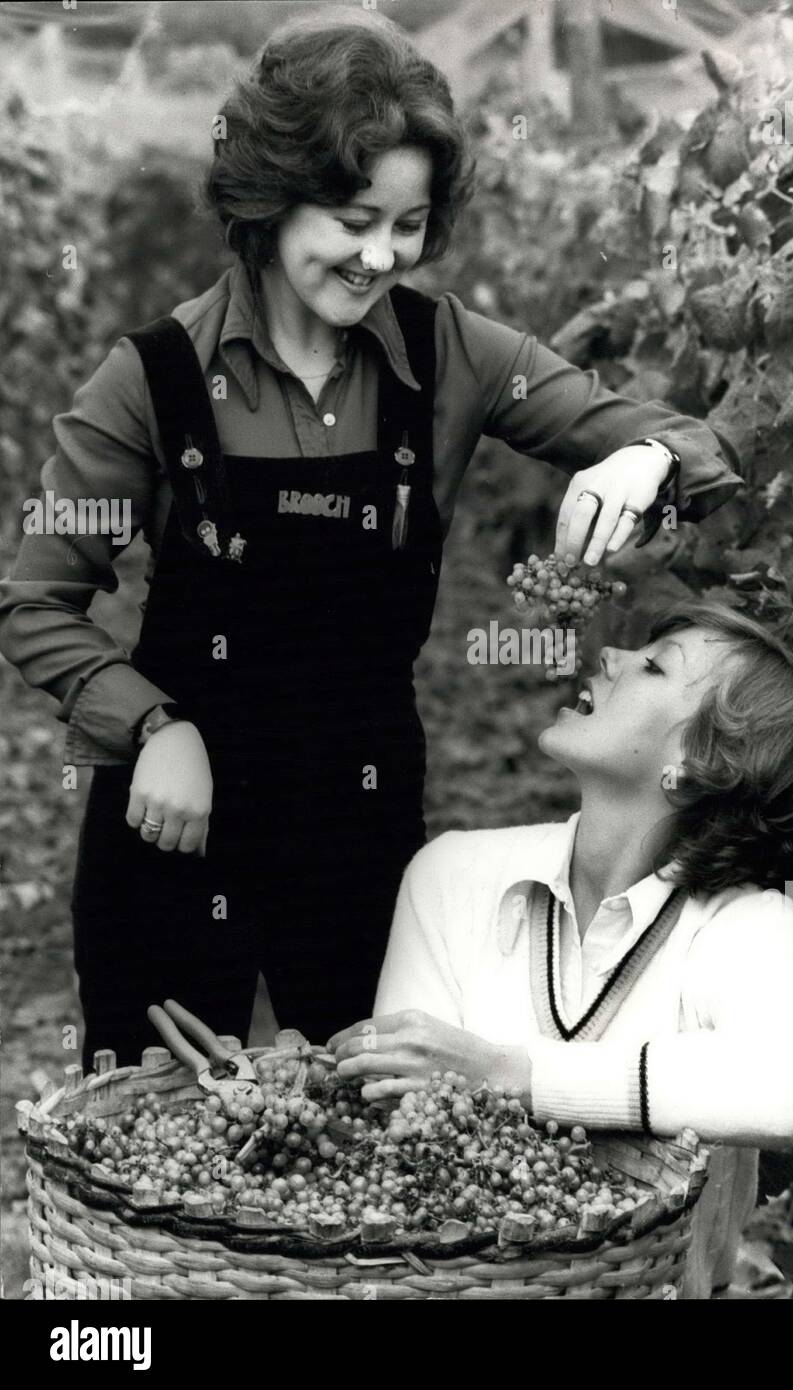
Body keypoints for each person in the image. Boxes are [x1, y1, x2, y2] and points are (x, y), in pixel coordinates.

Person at [0, 12, 741, 1065]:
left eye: (406, 226)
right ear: (267, 200)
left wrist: (643, 458)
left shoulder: (455, 355)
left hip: (356, 823)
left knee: (363, 1130)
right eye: (351, 220)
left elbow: (687, 444)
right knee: (159, 1131)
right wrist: (154, 726)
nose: (379, 256)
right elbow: (34, 601)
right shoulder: (154, 379)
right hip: (173, 820)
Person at [329, 603, 793, 1298]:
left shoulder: (745, 925)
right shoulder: (452, 874)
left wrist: (507, 1072)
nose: (609, 656)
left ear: (696, 763)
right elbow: (406, 1135)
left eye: (654, 664)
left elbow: (786, 1094)